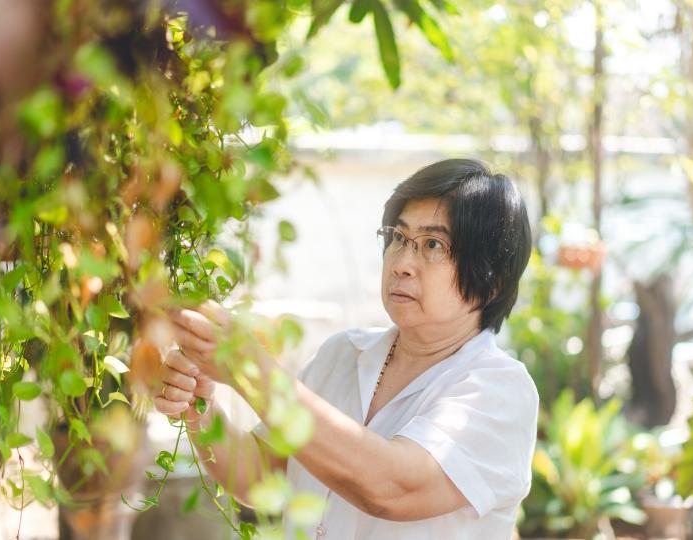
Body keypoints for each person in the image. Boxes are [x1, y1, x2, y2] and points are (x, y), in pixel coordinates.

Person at [155, 158, 539, 539]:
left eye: (433, 245)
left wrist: (249, 369)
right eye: (399, 237)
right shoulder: (342, 353)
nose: (402, 263)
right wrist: (200, 408)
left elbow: (390, 487)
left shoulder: (500, 391)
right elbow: (258, 476)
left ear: (491, 281)